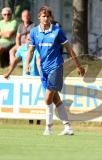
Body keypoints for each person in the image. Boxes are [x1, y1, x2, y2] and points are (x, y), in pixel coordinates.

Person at [25, 6, 85, 136]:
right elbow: (30, 50)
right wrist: (27, 64)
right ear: (39, 17)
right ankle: (68, 127)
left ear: (51, 17)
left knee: (47, 99)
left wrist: (79, 66)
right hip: (43, 69)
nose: (46, 18)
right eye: (43, 16)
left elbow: (69, 50)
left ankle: (48, 127)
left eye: (48, 16)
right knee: (56, 99)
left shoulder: (57, 31)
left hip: (56, 67)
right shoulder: (34, 32)